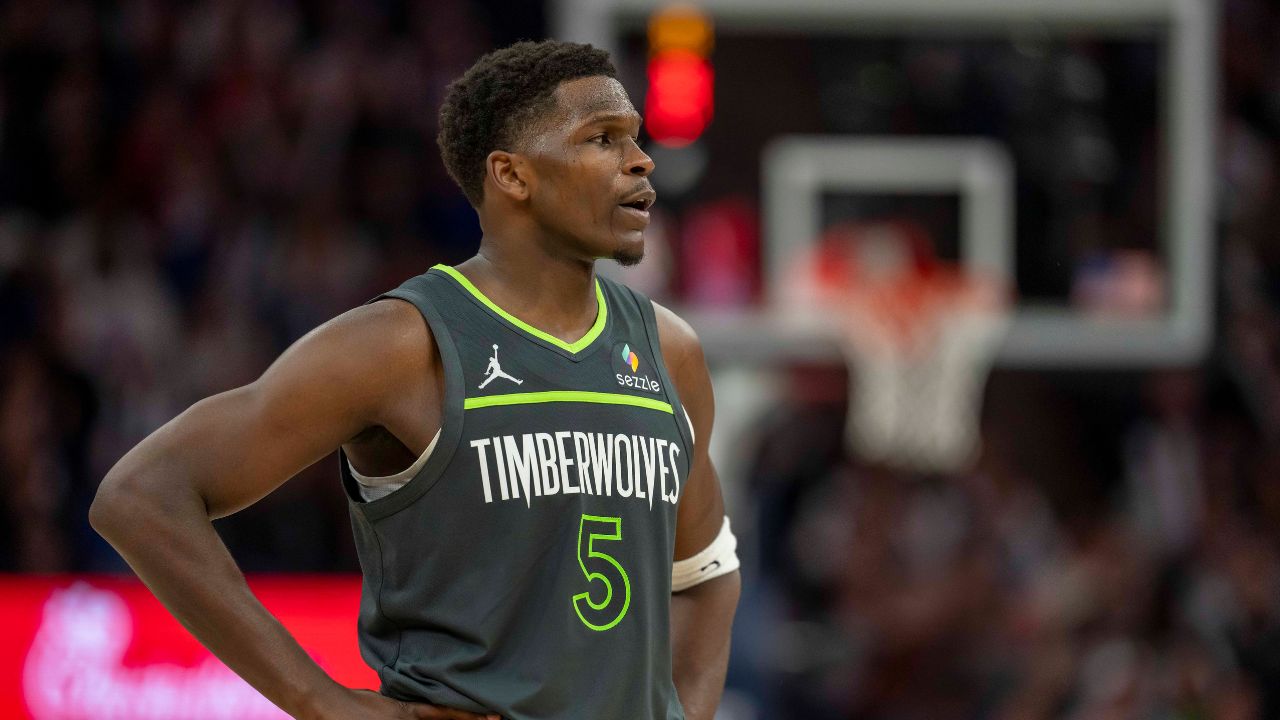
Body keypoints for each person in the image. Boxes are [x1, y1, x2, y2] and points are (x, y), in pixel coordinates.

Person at [90, 39, 740, 720]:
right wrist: (319, 701)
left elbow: (705, 571)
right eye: (602, 139)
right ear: (511, 175)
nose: (639, 161)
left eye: (635, 138)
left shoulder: (670, 351)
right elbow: (140, 494)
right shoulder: (402, 343)